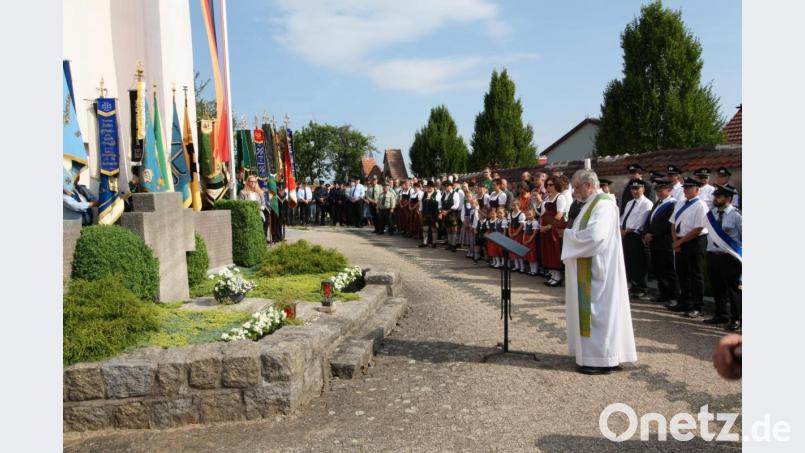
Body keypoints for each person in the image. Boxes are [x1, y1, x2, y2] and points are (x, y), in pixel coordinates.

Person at [560, 169, 637, 375]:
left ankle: (600, 359)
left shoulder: (602, 205)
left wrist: (568, 236)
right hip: (593, 264)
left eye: (577, 187)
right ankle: (603, 356)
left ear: (589, 185)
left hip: (598, 269)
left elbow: (595, 237)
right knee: (599, 313)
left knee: (598, 313)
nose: (574, 191)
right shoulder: (590, 204)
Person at [669, 177, 710, 318]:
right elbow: (673, 223)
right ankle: (684, 302)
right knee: (682, 273)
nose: (685, 190)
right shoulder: (680, 203)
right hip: (680, 240)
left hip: (695, 241)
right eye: (684, 188)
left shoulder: (701, 205)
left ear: (697, 190)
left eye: (689, 188)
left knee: (695, 274)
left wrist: (679, 243)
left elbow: (698, 228)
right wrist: (676, 241)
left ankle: (697, 306)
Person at [703, 184, 742, 331]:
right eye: (715, 196)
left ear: (728, 198)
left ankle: (736, 319)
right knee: (717, 287)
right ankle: (720, 314)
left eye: (718, 196)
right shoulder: (711, 214)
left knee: (733, 290)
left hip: (730, 257)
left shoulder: (736, 215)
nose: (715, 199)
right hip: (713, 256)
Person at [642, 179, 680, 304]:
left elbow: (667, 224)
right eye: (657, 190)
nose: (658, 192)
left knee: (668, 270)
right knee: (658, 269)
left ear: (669, 190)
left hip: (665, 241)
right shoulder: (658, 203)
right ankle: (663, 293)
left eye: (661, 190)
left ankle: (673, 296)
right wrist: (646, 232)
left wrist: (653, 234)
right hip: (654, 241)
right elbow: (650, 219)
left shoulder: (672, 204)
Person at [620, 181, 653, 298]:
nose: (634, 191)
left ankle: (641, 287)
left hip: (636, 235)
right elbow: (624, 217)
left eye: (637, 189)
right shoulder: (630, 203)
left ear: (643, 189)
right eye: (632, 189)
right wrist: (620, 228)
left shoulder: (646, 203)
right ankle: (633, 285)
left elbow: (641, 221)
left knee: (639, 262)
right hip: (626, 235)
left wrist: (626, 231)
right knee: (629, 261)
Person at [540, 175, 568, 287]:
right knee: (547, 251)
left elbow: (559, 215)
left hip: (554, 228)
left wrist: (548, 227)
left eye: (551, 185)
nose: (548, 187)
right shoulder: (547, 198)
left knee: (554, 251)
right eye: (547, 185)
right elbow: (543, 213)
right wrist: (542, 226)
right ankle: (552, 275)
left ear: (556, 185)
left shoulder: (560, 197)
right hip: (546, 226)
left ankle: (558, 277)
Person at [240, 175, 269, 241]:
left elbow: (263, 204)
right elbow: (241, 204)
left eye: (254, 181)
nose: (253, 183)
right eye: (251, 181)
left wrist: (262, 207)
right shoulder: (243, 192)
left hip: (259, 214)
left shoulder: (260, 192)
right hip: (248, 215)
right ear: (247, 182)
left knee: (259, 231)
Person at [419, 181, 440, 248]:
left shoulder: (437, 194)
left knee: (434, 229)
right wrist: (420, 212)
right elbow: (421, 204)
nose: (428, 188)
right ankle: (425, 243)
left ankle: (434, 243)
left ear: (433, 187)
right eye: (428, 187)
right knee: (425, 228)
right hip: (425, 214)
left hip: (434, 214)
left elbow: (439, 205)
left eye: (430, 187)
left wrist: (439, 213)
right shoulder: (424, 194)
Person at [508, 202, 526, 273]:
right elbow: (509, 224)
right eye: (512, 205)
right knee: (513, 250)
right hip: (512, 232)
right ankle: (516, 266)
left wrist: (515, 233)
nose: (513, 207)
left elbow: (521, 226)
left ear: (519, 205)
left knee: (518, 250)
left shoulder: (521, 214)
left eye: (515, 205)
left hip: (518, 233)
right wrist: (509, 232)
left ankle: (522, 267)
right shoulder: (510, 214)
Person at [523, 208, 540, 275]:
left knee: (533, 255)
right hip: (527, 239)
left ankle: (535, 270)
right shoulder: (526, 223)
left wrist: (529, 240)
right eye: (527, 215)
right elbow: (524, 232)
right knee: (529, 255)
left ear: (534, 215)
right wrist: (524, 240)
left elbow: (534, 233)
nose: (528, 216)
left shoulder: (535, 222)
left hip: (532, 240)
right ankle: (531, 269)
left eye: (530, 214)